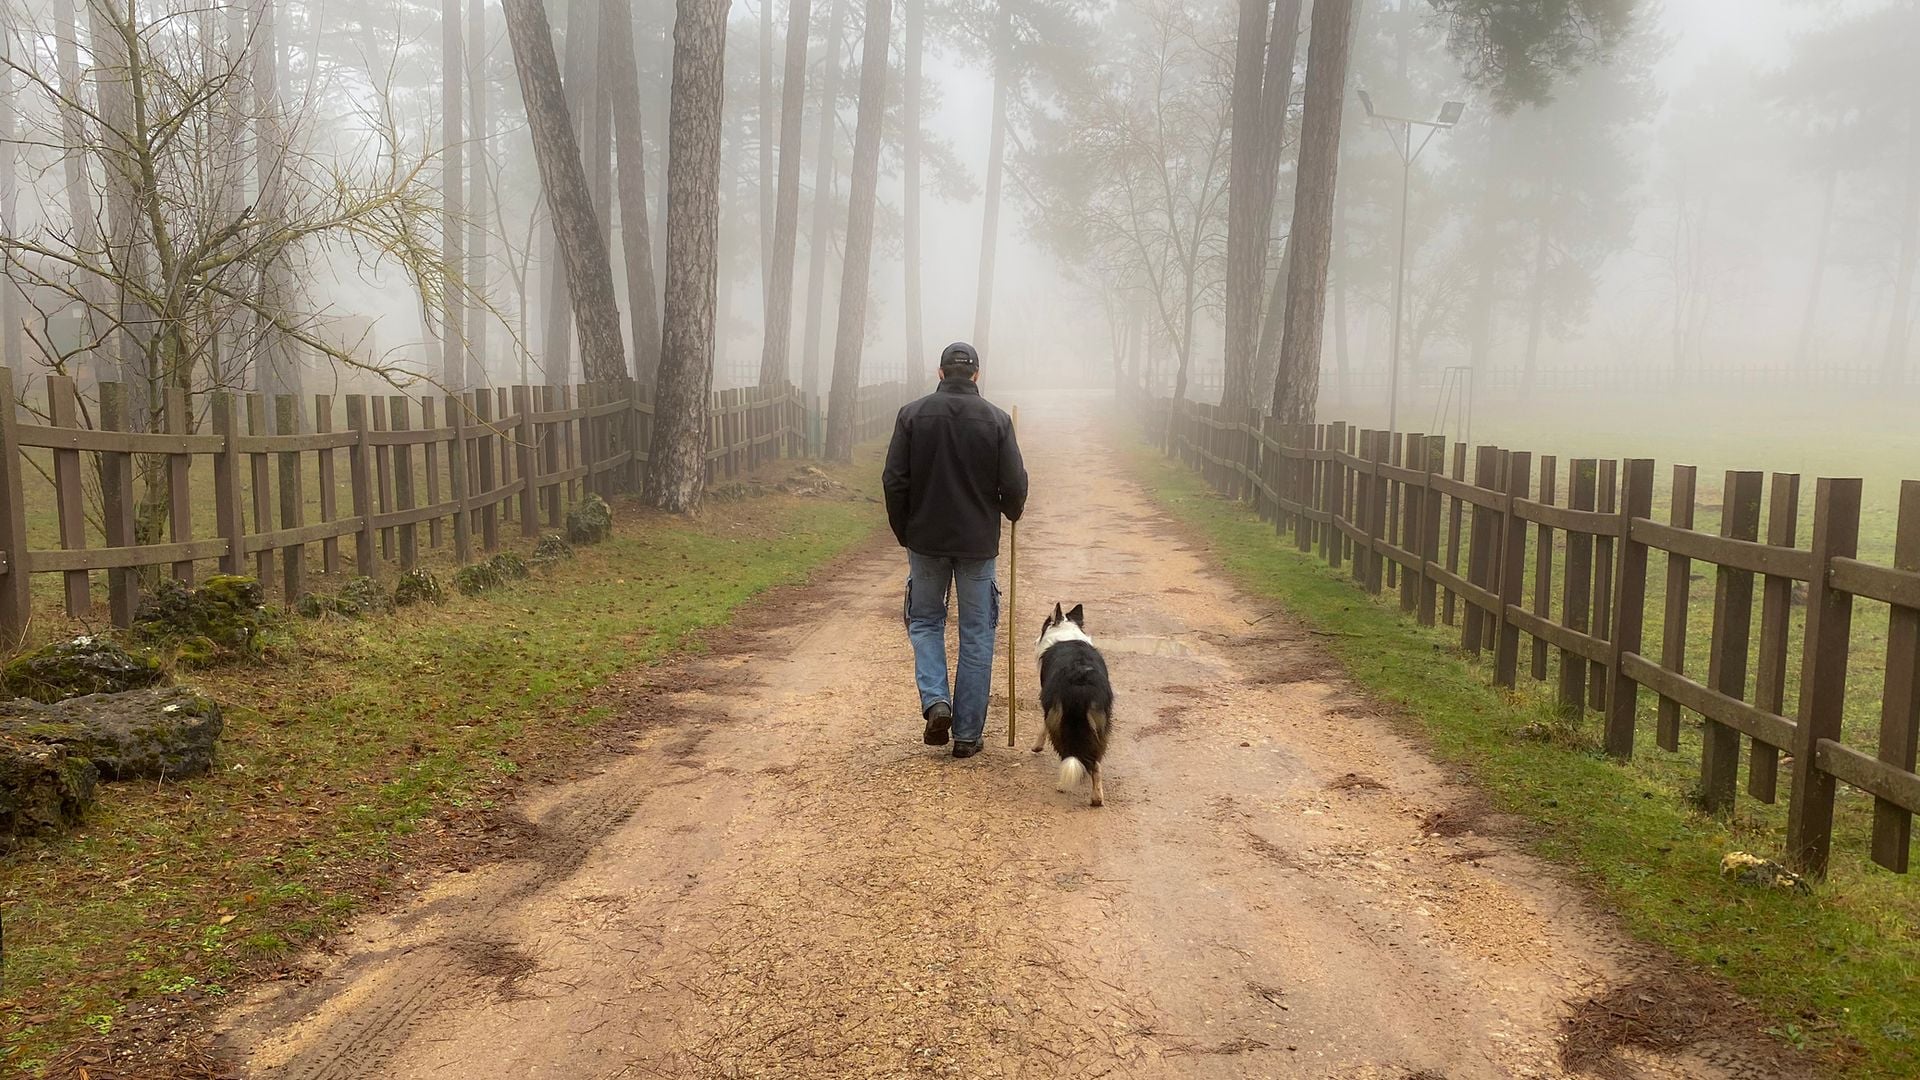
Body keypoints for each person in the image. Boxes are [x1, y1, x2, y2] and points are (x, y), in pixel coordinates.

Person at [881, 342, 1029, 758]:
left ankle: (936, 701)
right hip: (978, 543)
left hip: (926, 540)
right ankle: (966, 734)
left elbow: (894, 480)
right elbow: (1014, 485)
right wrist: (1010, 511)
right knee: (977, 634)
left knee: (926, 622)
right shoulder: (998, 420)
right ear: (977, 375)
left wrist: (904, 531)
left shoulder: (911, 416)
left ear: (941, 373)